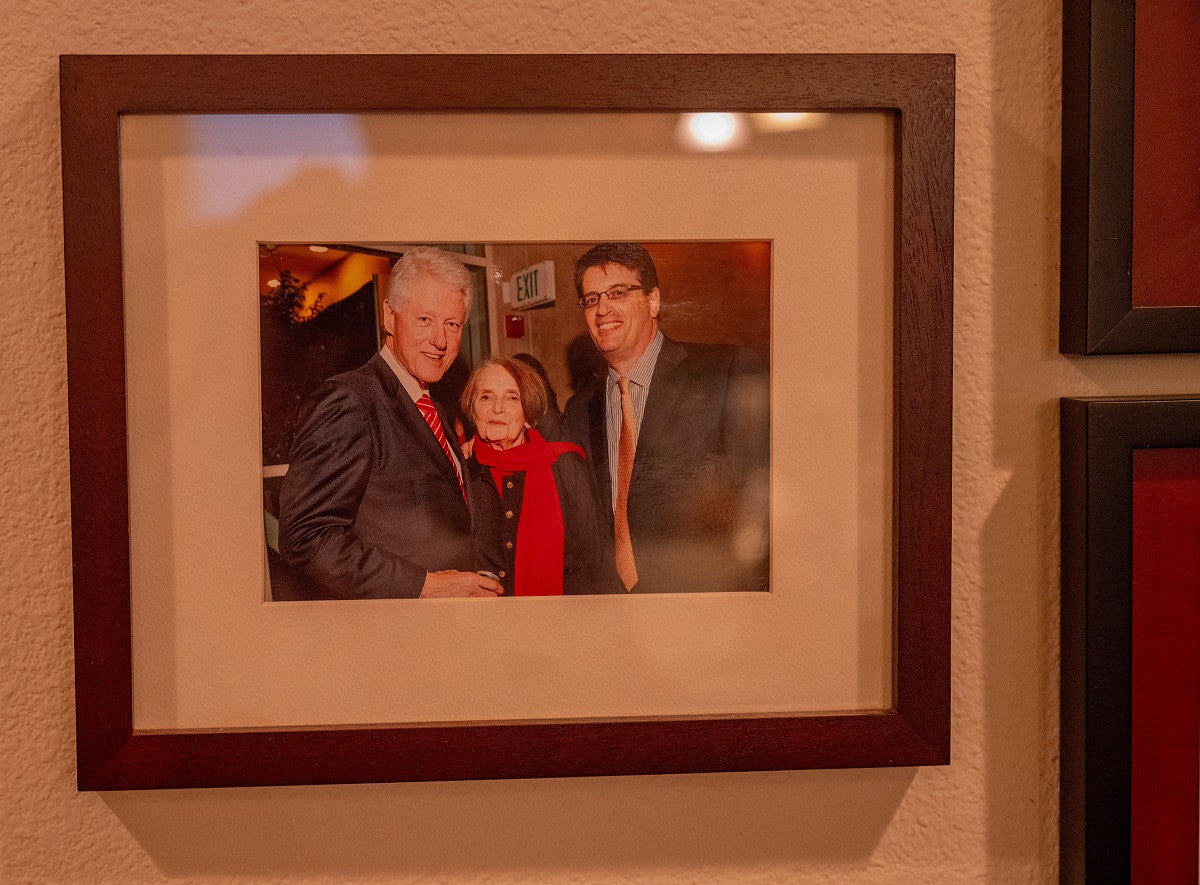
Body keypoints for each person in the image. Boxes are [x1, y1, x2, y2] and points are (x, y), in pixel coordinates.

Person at [278, 247, 503, 599]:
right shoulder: (350, 400)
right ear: (388, 317)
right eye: (424, 320)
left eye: (452, 324)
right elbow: (307, 539)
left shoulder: (434, 405)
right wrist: (425, 585)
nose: (441, 341)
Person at [563, 243, 770, 594]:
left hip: (706, 603)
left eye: (617, 292)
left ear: (654, 300)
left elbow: (763, 502)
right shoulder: (580, 410)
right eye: (591, 299)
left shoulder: (725, 372)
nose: (603, 309)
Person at [463, 357, 617, 596]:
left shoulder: (566, 466)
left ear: (528, 415)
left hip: (561, 622)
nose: (497, 408)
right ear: (473, 410)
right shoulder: (461, 473)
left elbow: (598, 568)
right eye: (486, 396)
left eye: (512, 397)